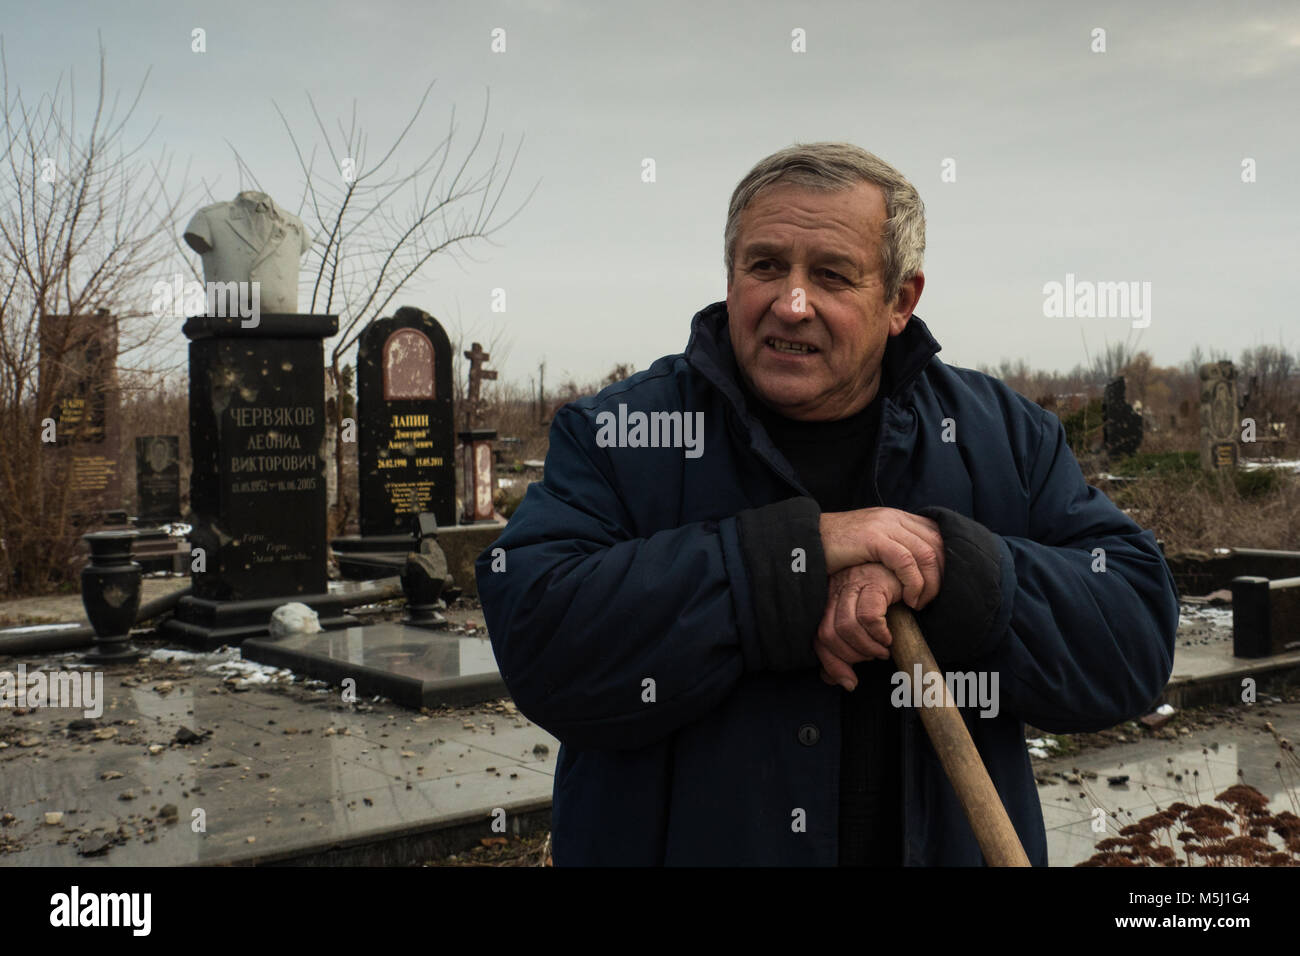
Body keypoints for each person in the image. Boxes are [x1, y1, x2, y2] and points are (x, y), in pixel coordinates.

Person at [476, 142, 1179, 865]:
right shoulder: (622, 435)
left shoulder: (1006, 439)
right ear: (730, 275)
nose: (791, 302)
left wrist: (944, 564)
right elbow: (542, 632)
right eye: (765, 266)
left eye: (832, 275)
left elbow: (1135, 634)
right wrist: (795, 561)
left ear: (900, 300)